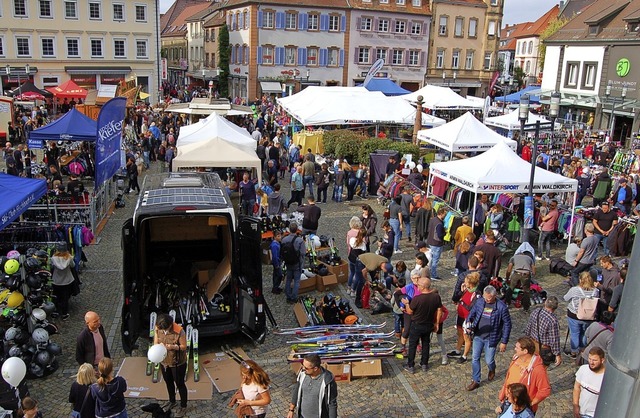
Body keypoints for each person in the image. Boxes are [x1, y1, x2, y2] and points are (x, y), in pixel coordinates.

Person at [465, 285, 512, 391]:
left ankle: (492, 368)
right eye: (485, 297)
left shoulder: (501, 307)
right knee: (475, 358)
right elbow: (472, 313)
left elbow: (507, 324)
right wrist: (468, 322)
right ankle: (475, 380)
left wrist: (504, 341)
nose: (486, 300)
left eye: (488, 298)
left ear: (495, 296)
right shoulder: (480, 301)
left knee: (489, 360)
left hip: (492, 338)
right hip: (478, 335)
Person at [497, 337, 551, 414]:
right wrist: (503, 392)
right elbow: (508, 377)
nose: (515, 349)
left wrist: (531, 403)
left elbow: (545, 390)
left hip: (521, 407)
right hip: (508, 400)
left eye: (517, 347)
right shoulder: (516, 358)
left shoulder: (537, 369)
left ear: (525, 351)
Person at [400, 277, 442, 373]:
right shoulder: (436, 297)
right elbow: (439, 309)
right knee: (426, 344)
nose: (417, 286)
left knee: (412, 345)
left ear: (423, 287)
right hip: (428, 324)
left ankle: (410, 365)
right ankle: (424, 364)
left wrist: (406, 304)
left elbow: (410, 311)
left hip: (417, 325)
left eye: (418, 285)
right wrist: (437, 322)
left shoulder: (417, 299)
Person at [154, 314, 188, 417]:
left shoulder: (179, 331)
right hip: (164, 362)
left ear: (170, 325)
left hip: (177, 363)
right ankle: (172, 401)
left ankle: (183, 406)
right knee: (168, 382)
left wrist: (172, 346)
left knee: (180, 384)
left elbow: (184, 347)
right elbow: (156, 342)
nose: (163, 330)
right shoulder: (158, 328)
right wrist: (157, 346)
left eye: (165, 328)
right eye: (161, 329)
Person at [288, 354, 338, 418]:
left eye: (306, 368)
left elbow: (332, 404)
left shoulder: (327, 381)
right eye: (303, 365)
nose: (303, 368)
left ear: (315, 368)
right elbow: (297, 390)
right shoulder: (303, 374)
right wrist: (291, 409)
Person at [564, 271, 600, 359]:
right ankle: (582, 349)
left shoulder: (575, 290)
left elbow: (565, 298)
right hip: (589, 316)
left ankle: (574, 352)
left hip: (574, 315)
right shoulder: (595, 291)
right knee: (584, 333)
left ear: (580, 280)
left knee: (575, 333)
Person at [449, 272, 481, 364]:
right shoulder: (466, 290)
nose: (464, 283)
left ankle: (465, 355)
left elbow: (472, 307)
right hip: (460, 315)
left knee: (466, 337)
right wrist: (461, 291)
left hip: (468, 319)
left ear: (470, 283)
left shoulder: (476, 294)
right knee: (459, 334)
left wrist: (461, 302)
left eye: (466, 282)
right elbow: (455, 298)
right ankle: (458, 351)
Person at [524, 297, 562, 367]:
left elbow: (528, 327)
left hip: (532, 343)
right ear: (555, 307)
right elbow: (554, 340)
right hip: (544, 349)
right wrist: (557, 354)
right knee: (541, 368)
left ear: (545, 303)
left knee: (531, 365)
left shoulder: (536, 311)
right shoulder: (553, 321)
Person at [573, 347, 606, 418]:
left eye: (594, 360)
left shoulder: (606, 377)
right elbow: (577, 387)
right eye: (590, 359)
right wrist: (575, 405)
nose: (591, 362)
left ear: (602, 360)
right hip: (581, 412)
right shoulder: (583, 369)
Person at [50, 242, 76, 320]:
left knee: (56, 296)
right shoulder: (69, 258)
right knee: (65, 297)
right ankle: (64, 313)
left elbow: (51, 267)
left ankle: (56, 311)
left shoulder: (53, 258)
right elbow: (73, 265)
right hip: (67, 280)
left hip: (56, 281)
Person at [282, 222, 306, 304]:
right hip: (297, 263)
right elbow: (303, 253)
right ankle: (294, 297)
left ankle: (288, 296)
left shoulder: (284, 239)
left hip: (288, 263)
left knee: (288, 279)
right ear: (297, 230)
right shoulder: (300, 240)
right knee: (296, 281)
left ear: (289, 229)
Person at [427, 207, 447, 280]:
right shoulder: (439, 223)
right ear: (441, 214)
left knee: (430, 259)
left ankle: (429, 272)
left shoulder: (433, 220)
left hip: (430, 241)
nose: (445, 216)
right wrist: (445, 232)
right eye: (445, 214)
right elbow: (440, 235)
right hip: (436, 243)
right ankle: (433, 275)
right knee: (435, 260)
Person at [347, 228, 367, 298]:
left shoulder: (352, 239)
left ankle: (348, 288)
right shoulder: (363, 245)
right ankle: (353, 290)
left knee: (351, 273)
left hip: (351, 258)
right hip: (357, 261)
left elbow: (350, 246)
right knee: (357, 276)